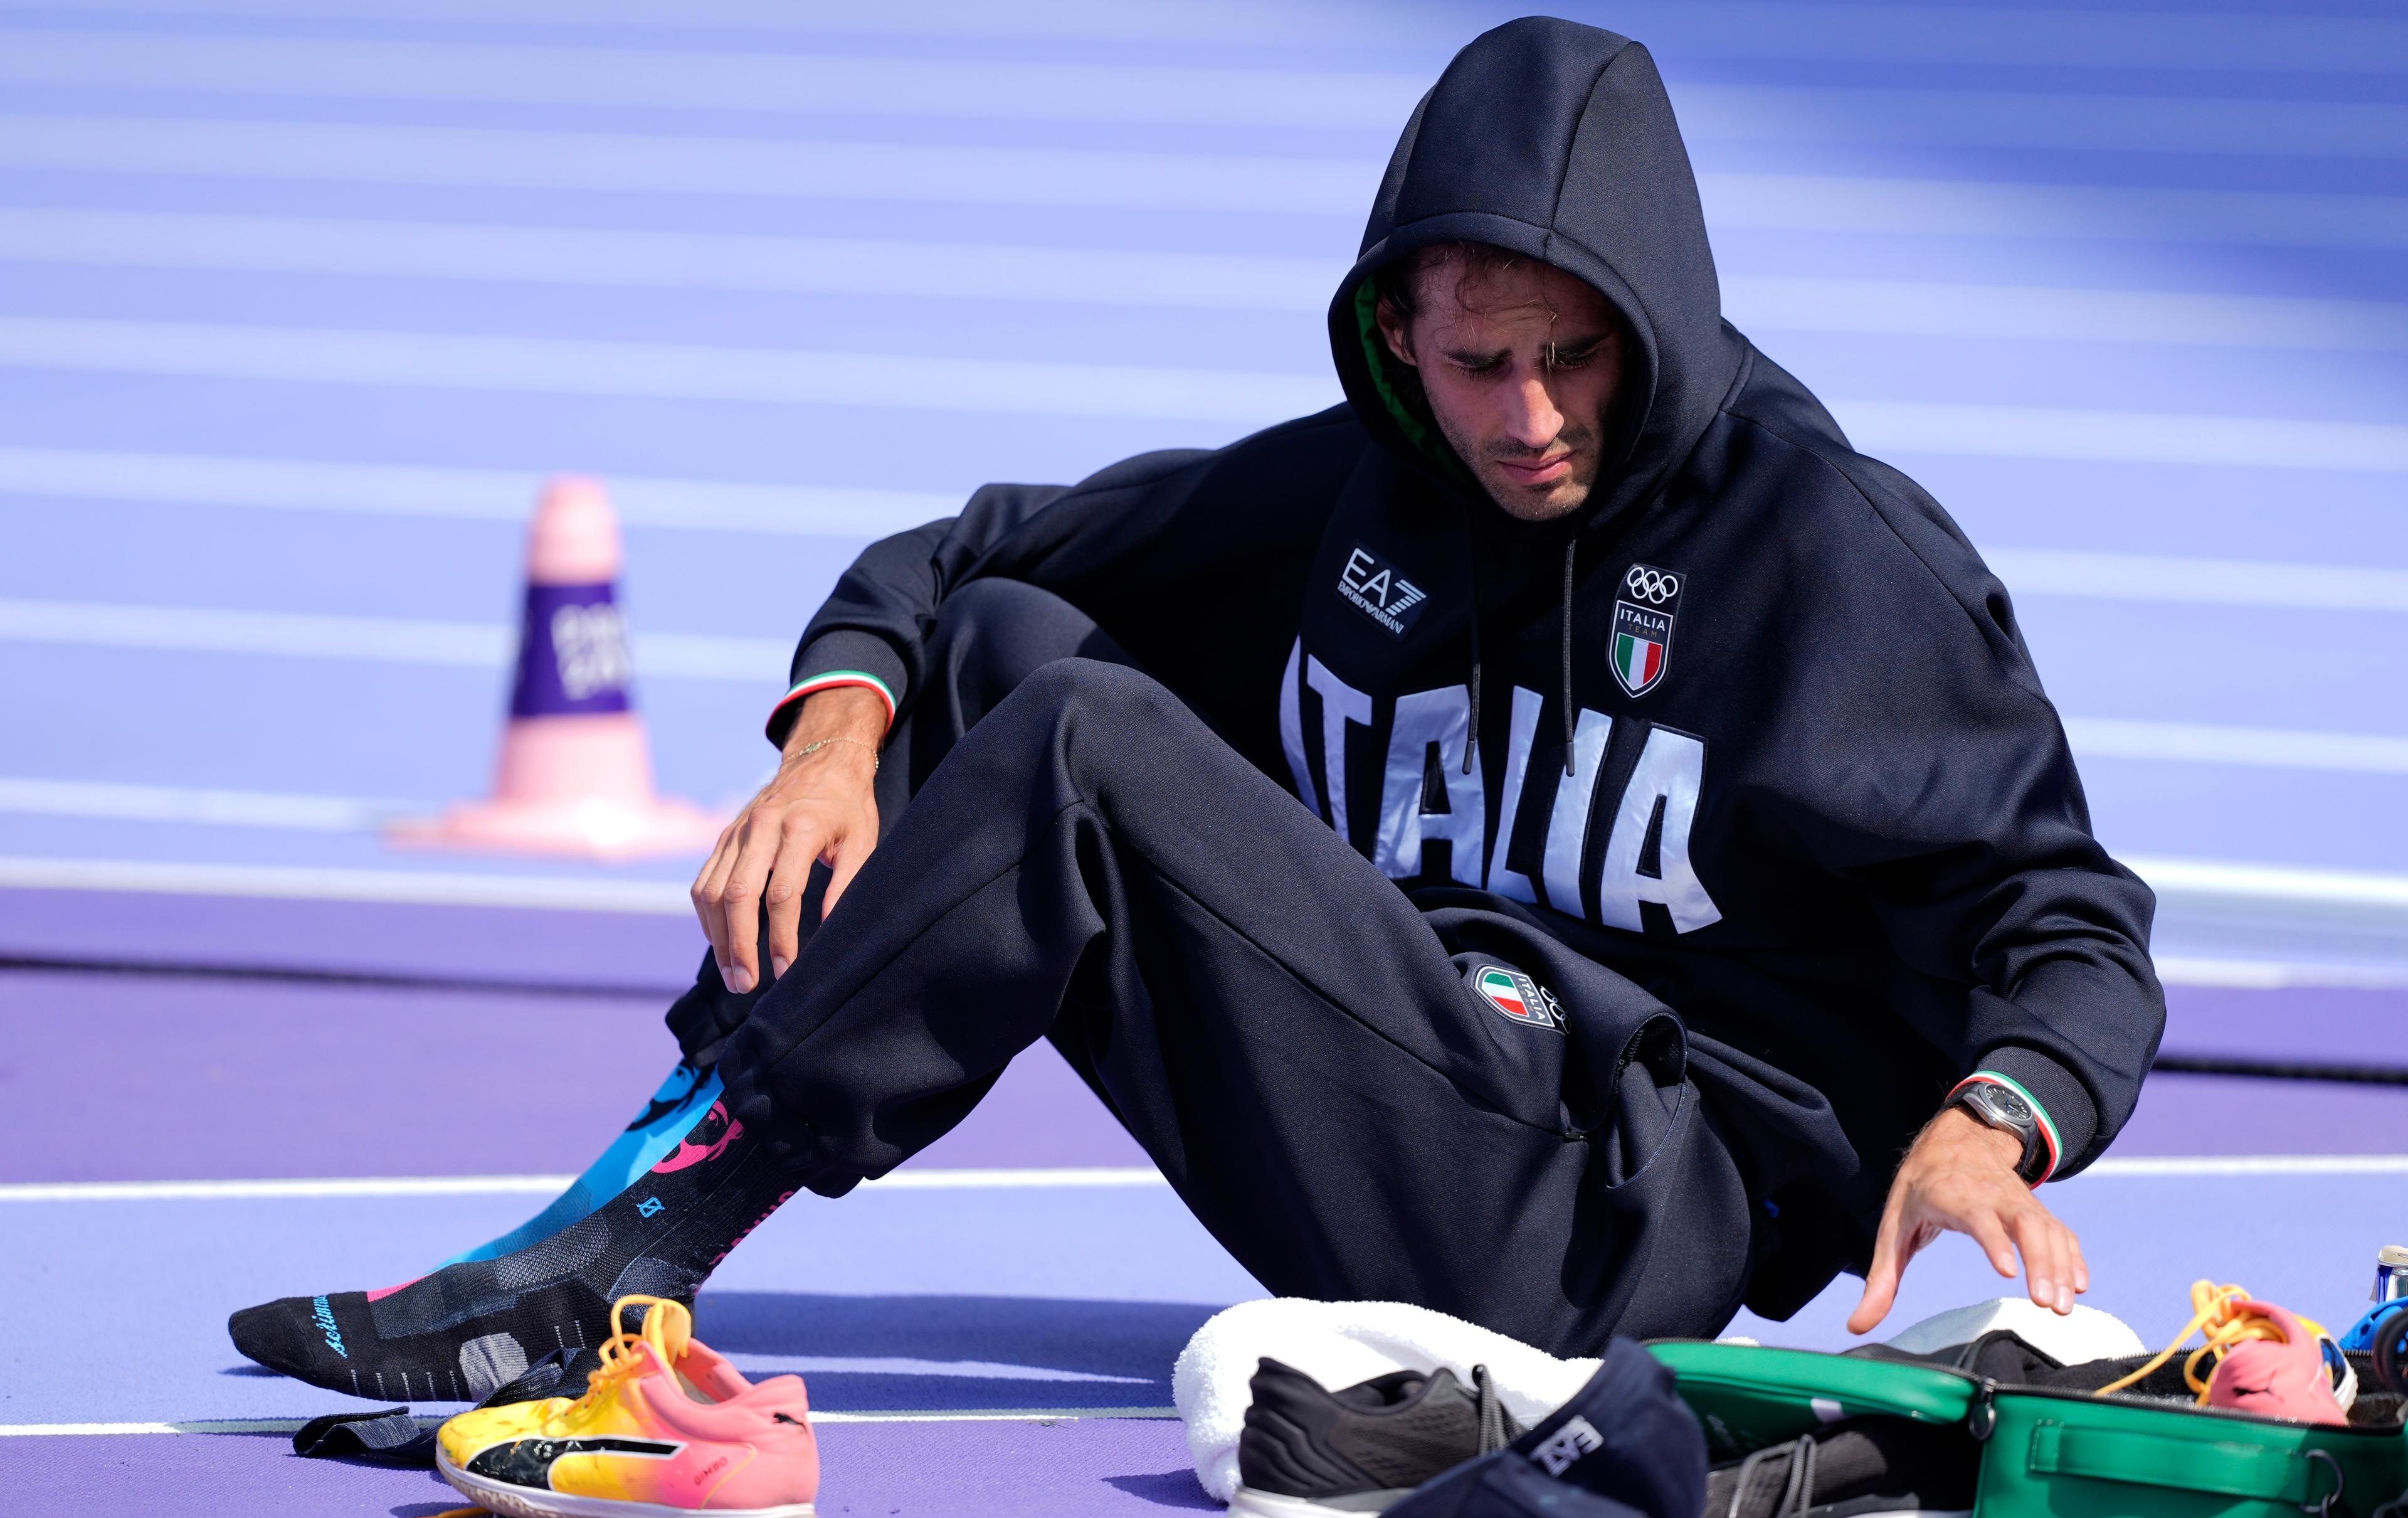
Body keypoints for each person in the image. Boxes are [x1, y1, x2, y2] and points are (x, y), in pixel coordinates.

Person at [231, 16, 2162, 1401]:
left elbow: (2069, 922)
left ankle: (616, 1262)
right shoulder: (1363, 487)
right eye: (1479, 362)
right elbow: (971, 547)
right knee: (998, 643)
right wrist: (833, 742)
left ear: (1661, 318)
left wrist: (1993, 1122)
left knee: (1083, 743)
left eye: (1581, 355)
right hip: (1400, 1072)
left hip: (1603, 1219)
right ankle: (635, 1213)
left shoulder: (1833, 560)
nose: (1534, 417)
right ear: (1398, 335)